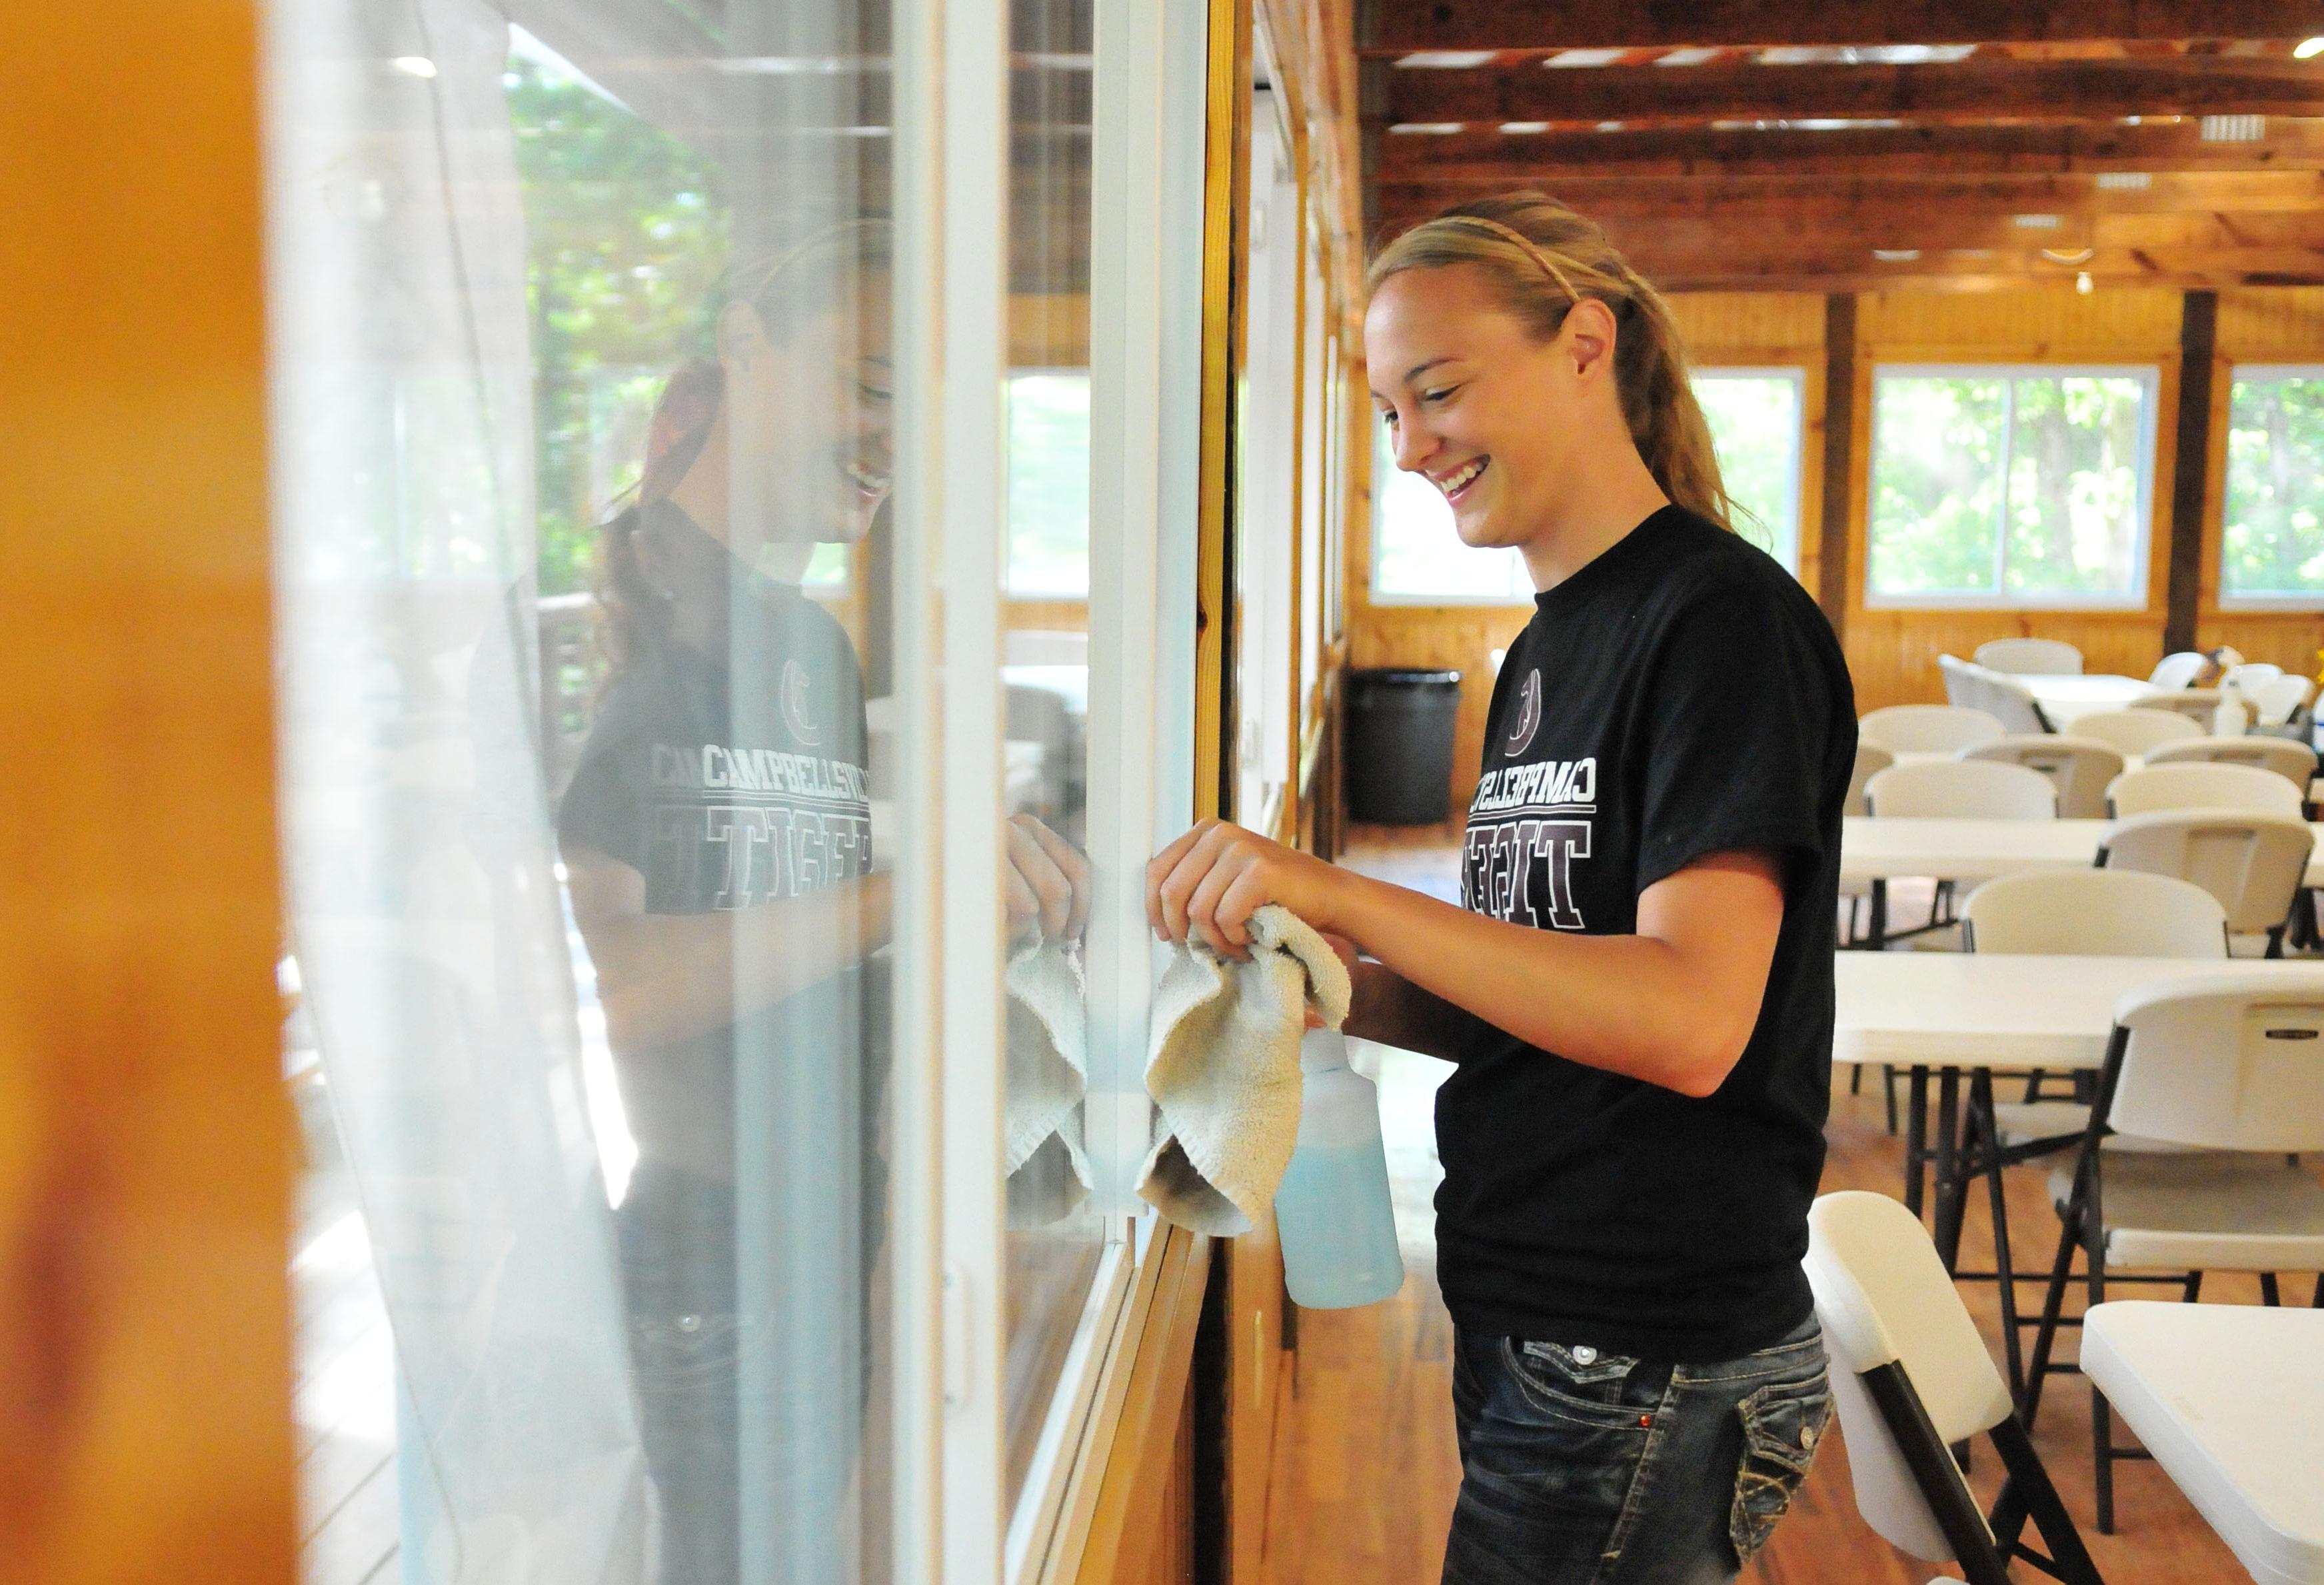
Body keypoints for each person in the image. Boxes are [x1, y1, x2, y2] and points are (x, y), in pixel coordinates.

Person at [1146, 192, 1855, 1585]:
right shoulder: (1547, 648)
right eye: (1386, 411)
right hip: (1540, 1314)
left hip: (1645, 1345)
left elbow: (1688, 1020)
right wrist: (1321, 981)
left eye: (1439, 391)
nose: (1410, 448)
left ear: (1584, 345)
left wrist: (1340, 889)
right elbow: (1535, 992)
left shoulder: (1719, 622)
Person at [558, 219, 1089, 1583]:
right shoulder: (606, 625)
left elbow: (788, 937)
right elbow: (604, 986)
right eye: (868, 379)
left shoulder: (804, 635)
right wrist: (906, 889)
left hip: (822, 1239)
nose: (890, 436)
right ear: (746, 343)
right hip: (701, 1276)